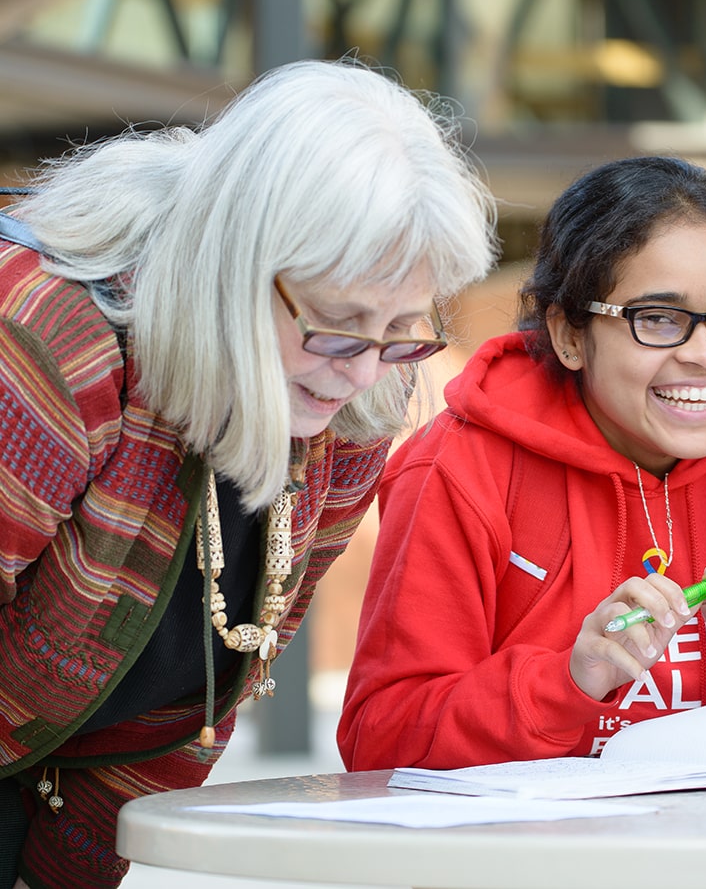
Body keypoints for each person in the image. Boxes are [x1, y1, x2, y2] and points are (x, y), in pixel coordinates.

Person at [0, 58, 497, 888]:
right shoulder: (44, 342)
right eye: (337, 325)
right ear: (233, 267)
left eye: (402, 329)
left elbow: (185, 716)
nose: (365, 371)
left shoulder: (362, 394)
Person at [338, 155, 706, 774]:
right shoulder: (457, 466)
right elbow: (381, 740)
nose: (705, 354)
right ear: (569, 334)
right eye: (659, 319)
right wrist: (570, 678)